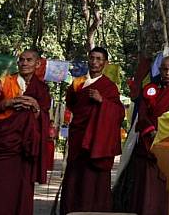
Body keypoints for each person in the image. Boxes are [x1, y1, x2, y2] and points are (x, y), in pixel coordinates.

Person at [0, 48, 51, 215]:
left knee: (20, 190)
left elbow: (44, 117)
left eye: (29, 60)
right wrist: (6, 104)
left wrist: (35, 106)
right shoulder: (4, 82)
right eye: (21, 60)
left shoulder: (42, 89)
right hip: (3, 142)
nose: (24, 63)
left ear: (38, 64)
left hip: (25, 147)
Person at [116, 56, 169, 214]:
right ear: (160, 70)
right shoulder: (149, 88)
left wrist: (164, 133)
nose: (167, 73)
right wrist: (151, 131)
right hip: (148, 143)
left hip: (168, 143)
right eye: (165, 69)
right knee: (145, 187)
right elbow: (142, 114)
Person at [60, 47, 125, 215]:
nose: (94, 62)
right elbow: (72, 105)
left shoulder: (109, 87)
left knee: (93, 180)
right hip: (79, 136)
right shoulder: (77, 83)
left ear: (105, 63)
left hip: (97, 141)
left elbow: (119, 113)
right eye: (92, 58)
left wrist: (102, 101)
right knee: (75, 177)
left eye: (99, 59)